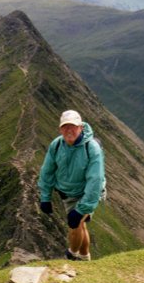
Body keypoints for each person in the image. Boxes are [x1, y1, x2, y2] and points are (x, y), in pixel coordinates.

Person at [38, 109, 105, 261]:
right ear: (60, 129)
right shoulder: (56, 145)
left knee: (74, 224)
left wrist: (82, 209)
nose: (69, 130)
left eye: (73, 126)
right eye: (65, 127)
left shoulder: (92, 148)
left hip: (87, 193)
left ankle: (72, 256)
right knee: (81, 226)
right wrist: (45, 197)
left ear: (81, 127)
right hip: (67, 193)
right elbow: (47, 172)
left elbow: (95, 181)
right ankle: (85, 258)